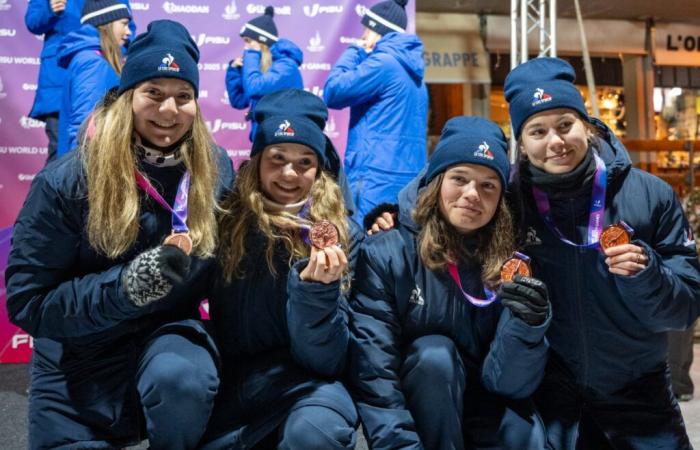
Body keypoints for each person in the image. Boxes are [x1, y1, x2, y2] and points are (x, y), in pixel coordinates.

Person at [5, 20, 235, 450]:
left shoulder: (216, 168)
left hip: (169, 338)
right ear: (128, 95)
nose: (169, 110)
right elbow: (27, 301)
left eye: (183, 96)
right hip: (78, 361)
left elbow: (232, 273)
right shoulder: (71, 178)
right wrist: (126, 288)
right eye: (154, 92)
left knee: (182, 378)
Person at [504, 57, 700, 449]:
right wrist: (389, 216)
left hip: (638, 390)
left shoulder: (649, 195)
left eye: (565, 125)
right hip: (550, 396)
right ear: (521, 145)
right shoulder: (508, 204)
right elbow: (445, 195)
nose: (555, 141)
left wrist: (647, 274)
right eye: (537, 131)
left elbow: (685, 309)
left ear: (587, 126)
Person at [349, 116, 551, 450]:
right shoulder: (388, 251)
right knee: (434, 356)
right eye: (460, 178)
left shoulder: (516, 263)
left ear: (501, 197)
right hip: (419, 406)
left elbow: (510, 384)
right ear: (436, 181)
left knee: (526, 435)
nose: (473, 194)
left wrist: (529, 327)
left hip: (487, 400)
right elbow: (374, 371)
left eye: (489, 185)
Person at [200, 89, 362, 450]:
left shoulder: (346, 236)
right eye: (277, 158)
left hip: (312, 387)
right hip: (237, 381)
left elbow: (330, 358)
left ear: (319, 169)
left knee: (314, 433)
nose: (290, 173)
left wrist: (316, 293)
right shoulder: (225, 222)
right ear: (257, 160)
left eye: (305, 161)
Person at [323, 0, 428, 224]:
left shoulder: (384, 64)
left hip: (374, 178)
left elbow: (333, 92)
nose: (363, 34)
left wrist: (356, 49)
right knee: (393, 250)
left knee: (365, 249)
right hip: (406, 179)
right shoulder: (414, 72)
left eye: (366, 29)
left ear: (376, 30)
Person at [25, 0, 130, 164]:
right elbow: (33, 21)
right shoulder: (88, 61)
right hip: (57, 83)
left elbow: (123, 22)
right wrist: (49, 9)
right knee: (63, 153)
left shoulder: (100, 58)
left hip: (104, 60)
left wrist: (113, 58)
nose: (128, 30)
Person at [55, 0, 132, 156]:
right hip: (89, 168)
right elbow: (83, 128)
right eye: (124, 24)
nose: (129, 32)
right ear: (106, 24)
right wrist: (81, 174)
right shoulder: (92, 62)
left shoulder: (93, 58)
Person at [225, 5, 303, 142]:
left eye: (249, 42)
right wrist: (234, 71)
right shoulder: (260, 68)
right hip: (263, 138)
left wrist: (251, 54)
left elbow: (254, 88)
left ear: (262, 42)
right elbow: (238, 101)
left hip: (283, 140)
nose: (245, 47)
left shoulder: (286, 67)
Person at [668, 185, 700, 402]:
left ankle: (679, 384)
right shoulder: (678, 213)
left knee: (680, 334)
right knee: (679, 335)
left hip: (685, 278)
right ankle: (678, 384)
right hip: (681, 275)